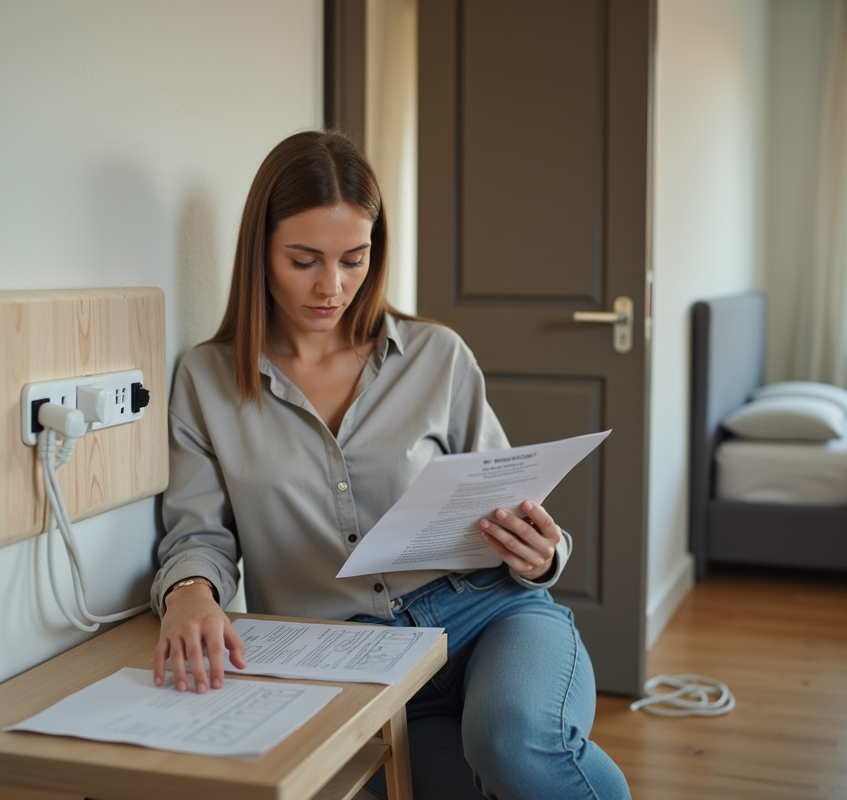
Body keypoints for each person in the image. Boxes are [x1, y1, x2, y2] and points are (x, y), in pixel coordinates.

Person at [150, 130, 630, 800]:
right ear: (259, 250)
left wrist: (540, 553)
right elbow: (197, 535)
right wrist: (189, 597)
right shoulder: (206, 381)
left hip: (488, 616)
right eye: (304, 260)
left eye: (354, 259)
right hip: (349, 660)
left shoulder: (439, 356)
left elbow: (510, 500)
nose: (333, 286)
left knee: (513, 742)